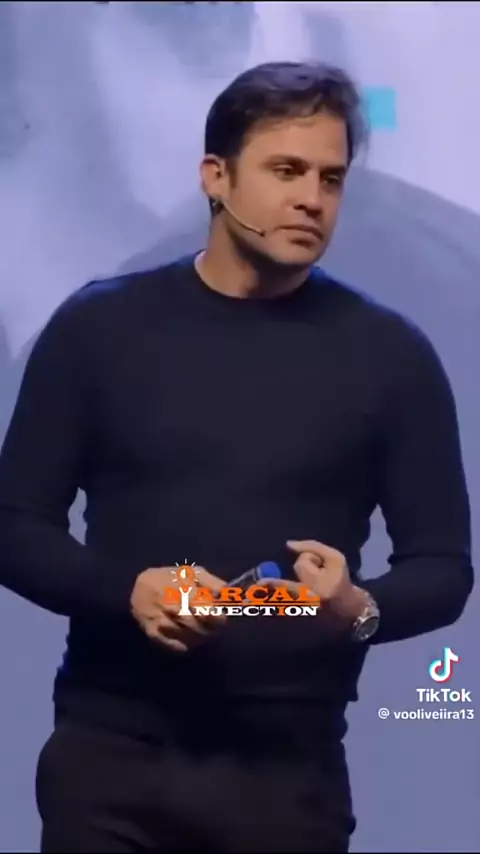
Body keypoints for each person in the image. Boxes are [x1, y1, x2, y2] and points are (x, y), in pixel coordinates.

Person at [0, 61, 473, 853]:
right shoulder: (97, 330)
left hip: (288, 777)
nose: (312, 198)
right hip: (110, 762)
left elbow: (443, 568)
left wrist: (358, 609)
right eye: (286, 170)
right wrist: (128, 593)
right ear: (215, 178)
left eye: (330, 178)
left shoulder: (392, 357)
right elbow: (15, 526)